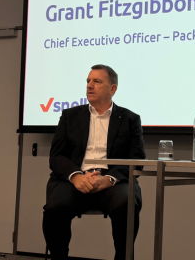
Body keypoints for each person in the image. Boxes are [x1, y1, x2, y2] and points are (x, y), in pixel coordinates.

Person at [42, 64, 145, 260]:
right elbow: (57, 156)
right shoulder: (70, 116)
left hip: (112, 182)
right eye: (88, 81)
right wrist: (76, 176)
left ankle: (122, 257)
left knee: (127, 203)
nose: (90, 85)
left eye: (97, 81)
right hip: (75, 180)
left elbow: (136, 159)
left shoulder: (130, 119)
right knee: (55, 207)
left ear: (112, 89)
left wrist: (109, 179)